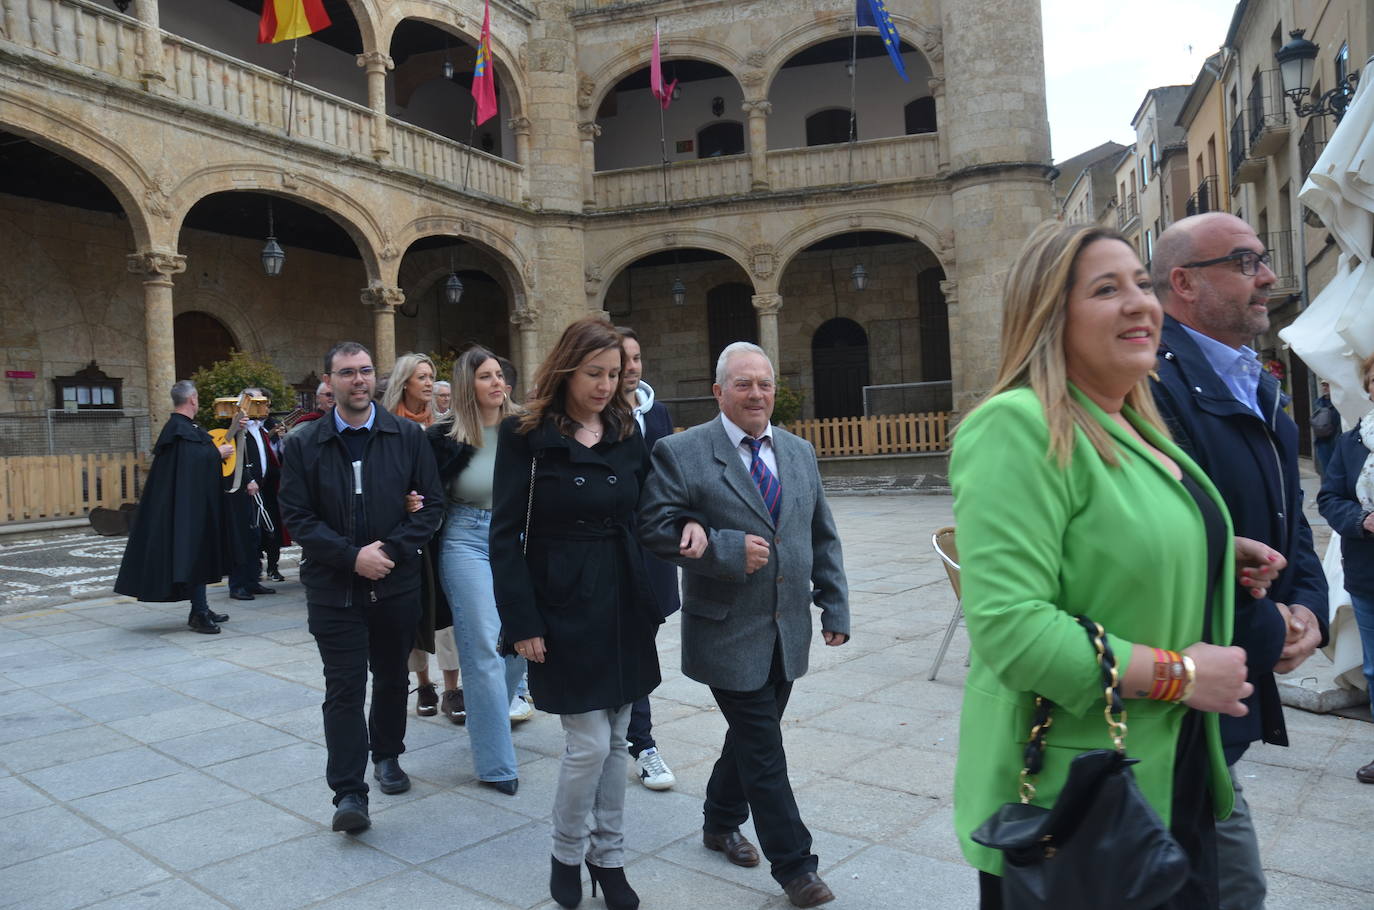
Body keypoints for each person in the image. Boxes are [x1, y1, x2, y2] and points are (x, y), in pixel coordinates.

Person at [950, 221, 1272, 909]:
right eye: (1106, 289)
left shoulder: (1135, 420)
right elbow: (1012, 627)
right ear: (1048, 317)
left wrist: (1213, 554)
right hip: (1082, 801)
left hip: (1176, 770)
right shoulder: (1017, 424)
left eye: (1143, 285)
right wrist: (1180, 675)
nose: (1140, 304)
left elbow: (1117, 537)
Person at [1149, 212, 1327, 909]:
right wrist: (1266, 627)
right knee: (1232, 889)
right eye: (1246, 260)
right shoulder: (1152, 390)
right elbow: (1167, 549)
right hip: (1178, 696)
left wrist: (1306, 608)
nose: (1269, 275)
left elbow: (1292, 526)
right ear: (1185, 283)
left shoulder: (1256, 383)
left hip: (1227, 694)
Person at [639, 341, 849, 909]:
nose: (756, 394)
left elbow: (818, 534)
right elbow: (656, 529)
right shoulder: (680, 451)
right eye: (743, 384)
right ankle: (796, 866)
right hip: (726, 629)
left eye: (764, 384)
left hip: (787, 629)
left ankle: (719, 820)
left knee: (749, 738)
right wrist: (724, 549)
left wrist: (835, 605)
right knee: (763, 746)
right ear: (719, 391)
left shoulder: (800, 451)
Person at [491, 317, 661, 910]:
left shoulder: (625, 428)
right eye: (594, 373)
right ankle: (567, 850)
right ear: (566, 367)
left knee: (617, 739)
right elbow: (504, 533)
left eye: (614, 375)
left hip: (622, 596)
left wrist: (691, 530)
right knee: (588, 742)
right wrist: (523, 622)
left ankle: (608, 858)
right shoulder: (524, 433)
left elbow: (650, 510)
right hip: (560, 601)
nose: (606, 385)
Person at [278, 341, 444, 834]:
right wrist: (352, 557)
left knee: (392, 677)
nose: (359, 380)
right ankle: (349, 792)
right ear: (328, 383)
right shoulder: (305, 444)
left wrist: (388, 552)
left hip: (395, 584)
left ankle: (388, 755)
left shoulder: (406, 437)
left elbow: (432, 506)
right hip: (333, 588)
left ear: (376, 379)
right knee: (344, 688)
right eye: (347, 372)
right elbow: (297, 517)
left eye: (366, 371)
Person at [427, 346, 526, 793]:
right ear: (469, 385)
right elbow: (425, 493)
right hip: (464, 537)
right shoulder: (443, 436)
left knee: (521, 640)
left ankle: (491, 722)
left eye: (499, 375)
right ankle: (496, 763)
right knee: (483, 643)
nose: (496, 383)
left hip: (517, 537)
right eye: (485, 377)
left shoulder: (526, 428)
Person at [115, 380, 234, 633]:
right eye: (198, 398)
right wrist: (217, 454)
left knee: (198, 555)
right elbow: (193, 462)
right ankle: (199, 612)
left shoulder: (186, 427)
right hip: (186, 510)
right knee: (193, 555)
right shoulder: (179, 429)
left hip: (193, 506)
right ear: (192, 399)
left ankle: (200, 606)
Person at [616, 325, 680, 791]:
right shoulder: (591, 416)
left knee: (643, 636)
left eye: (636, 358)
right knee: (630, 641)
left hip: (653, 545)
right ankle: (643, 744)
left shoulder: (658, 413)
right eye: (623, 360)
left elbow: (670, 479)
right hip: (610, 545)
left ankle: (625, 727)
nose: (632, 367)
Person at [386, 353, 461, 721]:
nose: (429, 384)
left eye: (432, 376)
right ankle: (424, 683)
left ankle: (451, 687)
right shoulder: (386, 426)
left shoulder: (444, 426)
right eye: (422, 377)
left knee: (446, 608)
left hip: (442, 528)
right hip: (404, 531)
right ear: (405, 382)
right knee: (413, 609)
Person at [1316, 353, 1374, 783]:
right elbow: (1330, 498)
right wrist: (1362, 521)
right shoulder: (1351, 443)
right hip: (1368, 574)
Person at [226, 387, 280, 601]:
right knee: (242, 536)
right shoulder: (237, 426)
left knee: (256, 536)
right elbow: (234, 455)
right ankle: (238, 584)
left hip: (261, 488)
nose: (262, 404)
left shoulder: (259, 427)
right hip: (243, 489)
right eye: (256, 400)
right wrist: (248, 479)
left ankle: (252, 580)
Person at [1312, 380, 1339, 477]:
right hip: (1322, 443)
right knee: (1325, 473)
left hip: (1335, 442)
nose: (1325, 388)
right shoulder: (1318, 403)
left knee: (1336, 472)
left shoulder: (1338, 403)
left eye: (1327, 385)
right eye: (1323, 385)